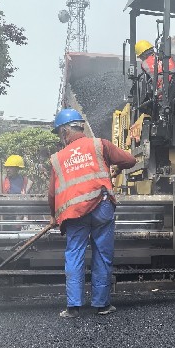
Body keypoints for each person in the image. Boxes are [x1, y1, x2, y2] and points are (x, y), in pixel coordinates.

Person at [48, 108, 136, 319]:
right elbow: (130, 160)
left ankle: (73, 307)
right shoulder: (100, 145)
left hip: (75, 212)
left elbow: (51, 193)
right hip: (101, 206)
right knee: (102, 255)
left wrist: (53, 216)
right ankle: (101, 305)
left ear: (64, 132)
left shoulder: (57, 159)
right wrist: (117, 169)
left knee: (74, 255)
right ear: (81, 127)